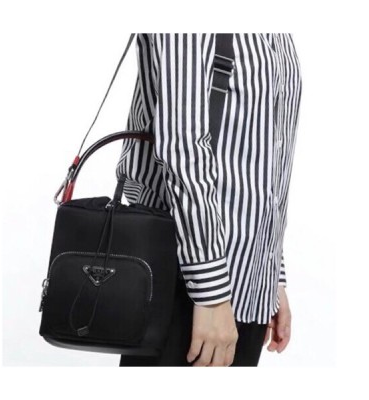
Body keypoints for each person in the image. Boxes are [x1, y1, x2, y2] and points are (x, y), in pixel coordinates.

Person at [116, 33, 302, 366]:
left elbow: (261, 156)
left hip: (247, 282)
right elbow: (183, 146)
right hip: (187, 281)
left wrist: (272, 275)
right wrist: (211, 293)